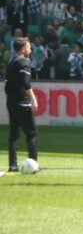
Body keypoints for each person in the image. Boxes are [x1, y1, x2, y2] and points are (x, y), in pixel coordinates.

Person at [6, 37, 38, 173]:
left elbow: (7, 85)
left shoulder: (11, 62)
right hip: (22, 102)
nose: (30, 50)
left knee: (14, 133)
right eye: (29, 47)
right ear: (24, 49)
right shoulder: (24, 61)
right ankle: (34, 165)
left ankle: (12, 165)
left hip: (11, 102)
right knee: (31, 134)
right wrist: (33, 100)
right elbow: (26, 83)